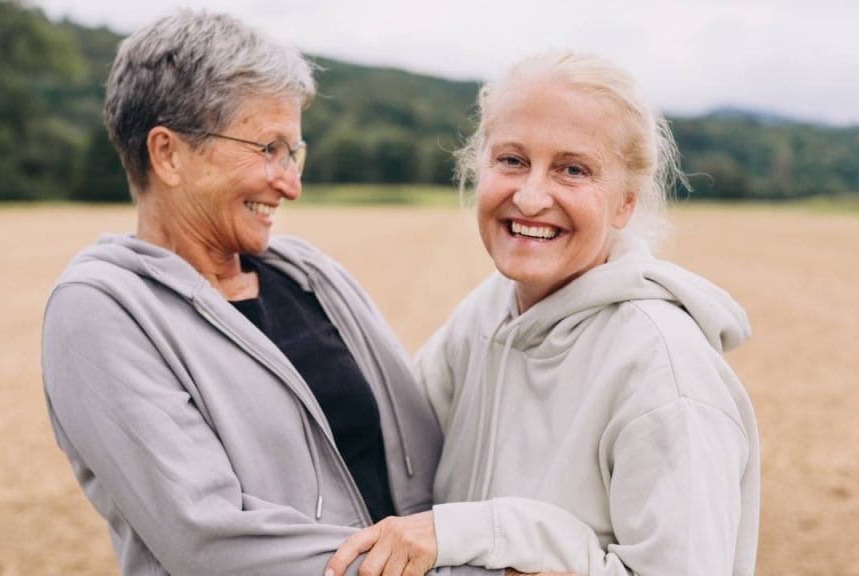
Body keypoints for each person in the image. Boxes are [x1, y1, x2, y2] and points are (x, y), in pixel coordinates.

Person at [42, 9, 507, 576]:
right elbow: (209, 538)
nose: (291, 183)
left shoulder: (313, 275)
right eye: (268, 149)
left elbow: (430, 462)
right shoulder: (99, 311)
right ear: (168, 154)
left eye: (294, 152)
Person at [326, 51, 760, 576]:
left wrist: (493, 533)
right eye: (511, 159)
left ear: (625, 201)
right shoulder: (487, 314)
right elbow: (396, 461)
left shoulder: (666, 374)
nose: (530, 197)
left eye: (572, 169)